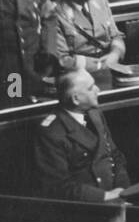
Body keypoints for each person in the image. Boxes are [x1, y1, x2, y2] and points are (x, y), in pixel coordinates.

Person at [32, 71, 130, 201]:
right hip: (88, 206)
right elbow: (58, 186)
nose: (98, 89)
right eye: (91, 88)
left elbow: (115, 155)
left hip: (118, 195)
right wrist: (106, 196)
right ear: (76, 99)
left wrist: (122, 188)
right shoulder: (51, 133)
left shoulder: (95, 114)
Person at [46, 0, 124, 74]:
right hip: (77, 75)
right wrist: (99, 65)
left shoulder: (100, 1)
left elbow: (116, 36)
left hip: (110, 67)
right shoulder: (54, 13)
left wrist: (115, 54)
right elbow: (61, 59)